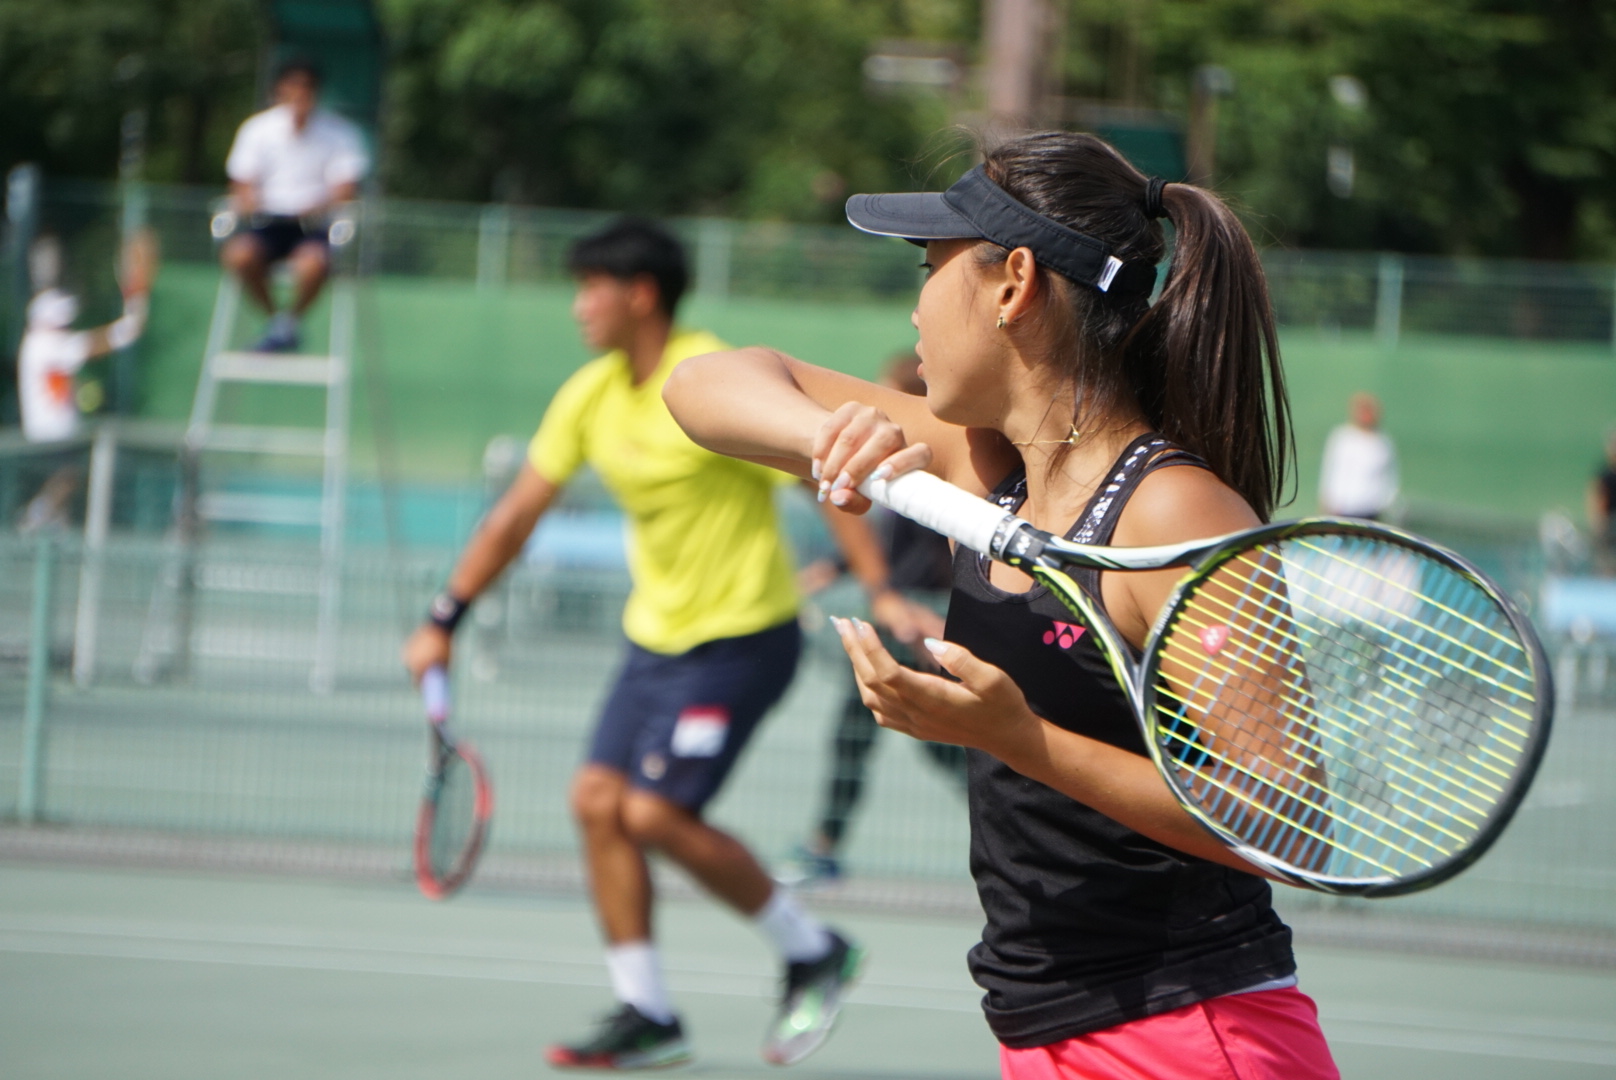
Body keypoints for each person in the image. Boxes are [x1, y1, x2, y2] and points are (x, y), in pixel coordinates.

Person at [663, 132, 1339, 1079]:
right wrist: (836, 435)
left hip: (1191, 1034)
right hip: (1042, 1031)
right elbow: (700, 387)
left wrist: (1022, 740)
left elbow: (1290, 825)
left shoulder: (1174, 513)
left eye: (930, 267)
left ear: (1013, 283)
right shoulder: (977, 467)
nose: (914, 305)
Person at [402, 218, 863, 1071]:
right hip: (653, 644)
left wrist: (878, 587)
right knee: (595, 801)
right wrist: (443, 617)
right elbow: (516, 516)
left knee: (652, 812)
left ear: (640, 295)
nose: (578, 307)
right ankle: (646, 1010)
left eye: (591, 288)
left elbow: (819, 472)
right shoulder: (590, 394)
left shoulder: (712, 375)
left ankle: (811, 949)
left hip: (743, 638)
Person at [787, 351, 965, 885]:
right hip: (893, 622)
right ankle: (824, 844)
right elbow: (881, 541)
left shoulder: (937, 475)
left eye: (887, 395)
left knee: (948, 747)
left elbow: (938, 555)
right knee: (852, 739)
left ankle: (1008, 831)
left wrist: (931, 618)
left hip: (921, 623)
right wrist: (836, 564)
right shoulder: (892, 468)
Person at [221, 57, 368, 353]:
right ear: (279, 90)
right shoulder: (257, 130)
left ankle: (289, 323)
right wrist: (251, 201)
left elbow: (346, 188)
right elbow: (241, 183)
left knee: (313, 263)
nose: (300, 94)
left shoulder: (340, 133)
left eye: (307, 87)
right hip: (268, 224)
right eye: (294, 86)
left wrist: (315, 206)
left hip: (314, 227)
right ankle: (278, 323)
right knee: (239, 256)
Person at [15, 232, 153, 531]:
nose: (66, 326)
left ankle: (50, 522)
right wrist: (131, 322)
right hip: (50, 432)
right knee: (67, 475)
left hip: (54, 431)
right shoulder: (44, 344)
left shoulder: (43, 342)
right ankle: (35, 520)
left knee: (67, 477)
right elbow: (98, 344)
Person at [1317, 392, 1397, 519]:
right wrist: (1328, 501)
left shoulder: (1383, 442)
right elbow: (1330, 471)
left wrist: (1386, 503)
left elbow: (1390, 477)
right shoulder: (1342, 437)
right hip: (1343, 509)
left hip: (1371, 511)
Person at [1585, 430, 1616, 572]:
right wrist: (1598, 523)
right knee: (1606, 564)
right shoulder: (1605, 475)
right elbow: (1599, 500)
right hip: (1610, 525)